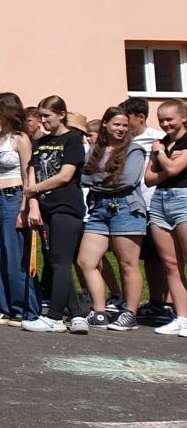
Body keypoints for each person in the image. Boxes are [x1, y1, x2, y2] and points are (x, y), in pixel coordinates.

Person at [21, 96, 91, 333]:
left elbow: (65, 176)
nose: (42, 120)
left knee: (61, 262)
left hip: (66, 207)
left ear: (61, 115)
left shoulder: (73, 139)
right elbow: (32, 171)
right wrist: (33, 204)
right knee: (54, 262)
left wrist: (34, 189)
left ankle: (55, 317)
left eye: (47, 116)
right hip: (44, 208)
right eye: (40, 116)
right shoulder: (40, 142)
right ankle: (78, 315)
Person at [77, 106, 146, 330]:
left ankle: (130, 314)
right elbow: (84, 178)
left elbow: (127, 179)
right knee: (86, 261)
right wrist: (106, 178)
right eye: (116, 124)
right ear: (105, 124)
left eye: (125, 125)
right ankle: (99, 311)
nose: (121, 129)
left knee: (127, 263)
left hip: (125, 207)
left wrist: (97, 179)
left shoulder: (134, 150)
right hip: (98, 209)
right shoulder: (94, 150)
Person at [0, 92, 37, 326]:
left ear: (9, 111)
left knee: (15, 256)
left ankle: (22, 309)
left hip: (14, 198)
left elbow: (27, 174)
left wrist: (25, 207)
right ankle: (5, 307)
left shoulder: (20, 139)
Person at [123, 97, 174, 325]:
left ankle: (168, 303)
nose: (124, 125)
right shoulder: (124, 141)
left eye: (127, 120)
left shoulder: (158, 139)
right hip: (133, 206)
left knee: (164, 257)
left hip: (155, 202)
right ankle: (155, 301)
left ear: (140, 117)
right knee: (145, 257)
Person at [145, 98, 187, 337]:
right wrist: (166, 158)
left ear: (183, 118)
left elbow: (172, 170)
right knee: (171, 264)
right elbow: (149, 179)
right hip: (160, 200)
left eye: (169, 119)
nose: (165, 124)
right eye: (161, 120)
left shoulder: (165, 145)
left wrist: (161, 156)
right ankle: (182, 317)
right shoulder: (160, 143)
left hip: (184, 198)